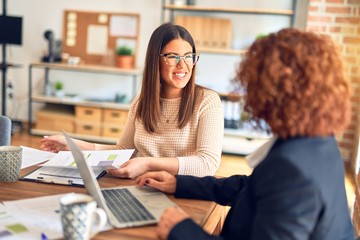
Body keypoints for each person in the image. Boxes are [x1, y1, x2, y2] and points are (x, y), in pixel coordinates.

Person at [136, 28, 355, 239]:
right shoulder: (319, 142)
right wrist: (180, 184)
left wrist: (181, 230)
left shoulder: (292, 168)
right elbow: (253, 186)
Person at [40, 23, 224, 179]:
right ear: (155, 60)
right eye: (172, 57)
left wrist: (147, 164)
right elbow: (123, 150)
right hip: (143, 185)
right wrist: (74, 146)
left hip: (183, 192)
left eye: (188, 57)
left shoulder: (207, 101)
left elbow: (207, 164)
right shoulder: (142, 101)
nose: (182, 65)